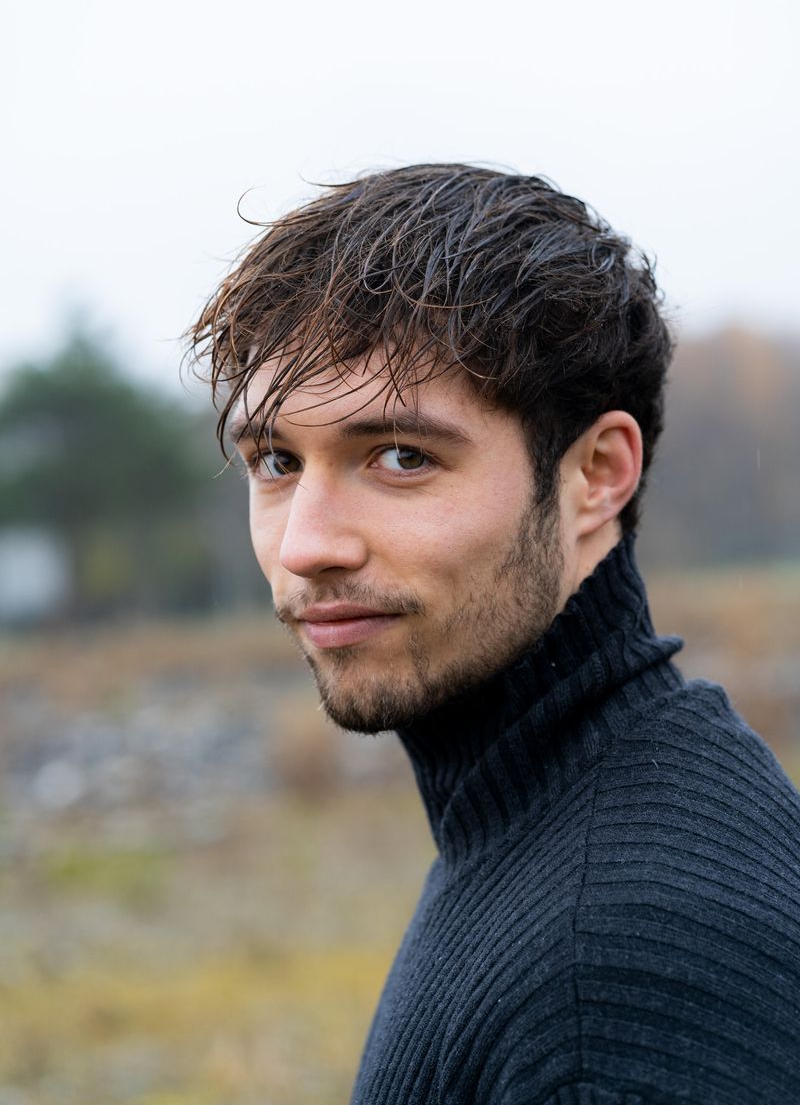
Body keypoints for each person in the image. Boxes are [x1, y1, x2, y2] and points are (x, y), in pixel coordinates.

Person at [190, 164, 800, 1104]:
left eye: (400, 456)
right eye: (275, 461)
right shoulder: (555, 817)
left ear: (597, 473)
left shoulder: (616, 983)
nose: (305, 546)